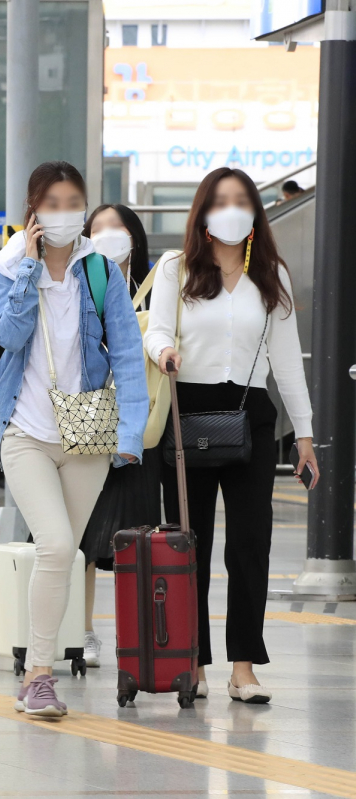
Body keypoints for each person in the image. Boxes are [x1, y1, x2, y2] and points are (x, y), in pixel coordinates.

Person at [145, 166, 316, 704]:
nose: (232, 211)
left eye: (242, 201)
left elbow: (286, 360)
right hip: (187, 415)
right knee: (189, 543)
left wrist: (305, 435)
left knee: (250, 543)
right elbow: (156, 328)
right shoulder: (176, 267)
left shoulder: (271, 273)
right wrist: (163, 351)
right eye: (221, 201)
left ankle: (243, 667)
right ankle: (193, 662)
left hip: (250, 415)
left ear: (255, 212)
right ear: (203, 212)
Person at [0, 161, 147, 717]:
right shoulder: (8, 267)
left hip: (88, 436)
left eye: (72, 202)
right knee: (56, 546)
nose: (63, 213)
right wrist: (30, 268)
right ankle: (39, 674)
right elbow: (7, 335)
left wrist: (131, 433)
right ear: (33, 211)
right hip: (26, 432)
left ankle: (35, 678)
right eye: (51, 204)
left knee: (65, 555)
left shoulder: (99, 271)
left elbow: (127, 354)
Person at [78, 204, 163, 668]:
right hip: (87, 415)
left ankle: (135, 634)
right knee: (84, 533)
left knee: (135, 532)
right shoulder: (78, 282)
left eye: (117, 227)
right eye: (98, 228)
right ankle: (83, 630)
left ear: (134, 235)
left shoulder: (156, 287)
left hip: (139, 422)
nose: (109, 235)